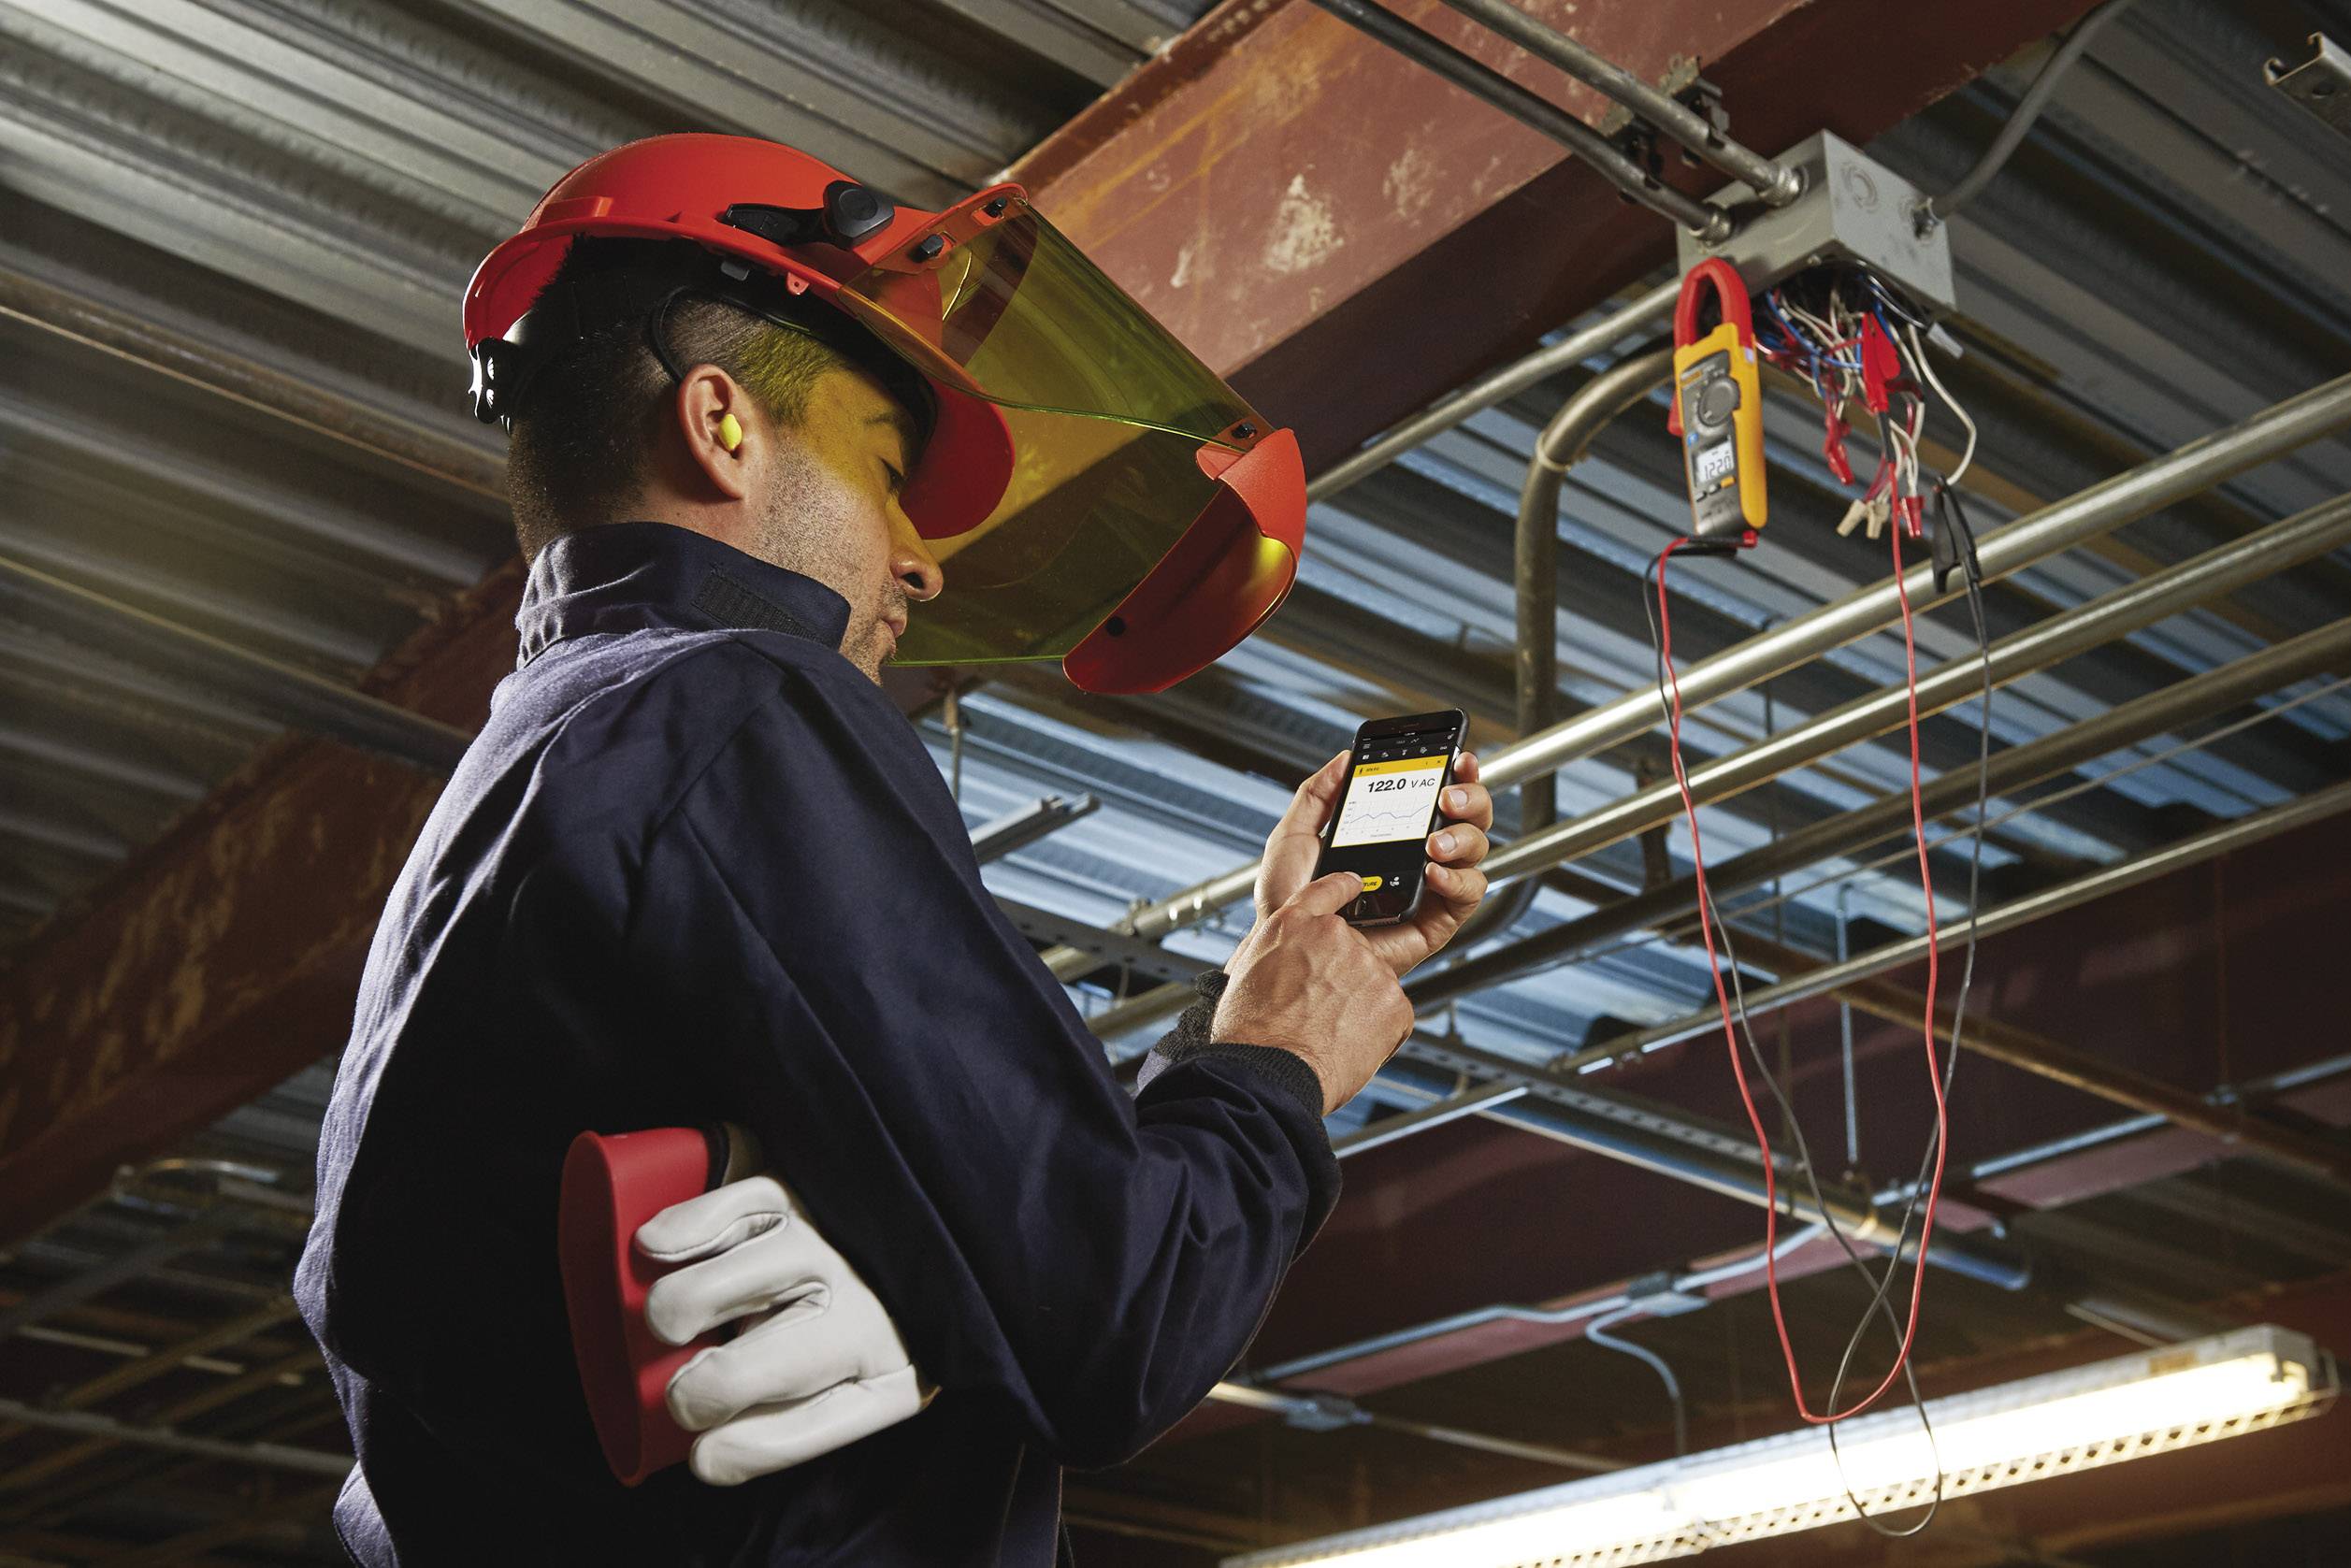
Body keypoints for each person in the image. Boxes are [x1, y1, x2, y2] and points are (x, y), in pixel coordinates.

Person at [294, 134, 1493, 1566]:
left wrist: (925, 1299)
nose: (920, 559)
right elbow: (1122, 1315)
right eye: (883, 470)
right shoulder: (730, 706)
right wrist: (1278, 1058)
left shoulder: (519, 779)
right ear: (722, 425)